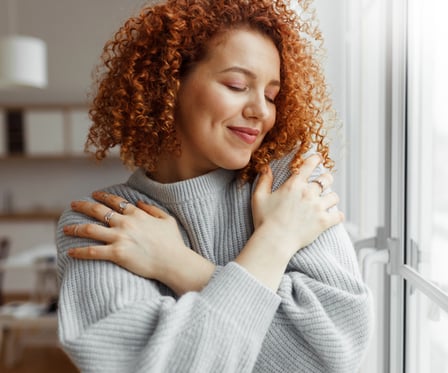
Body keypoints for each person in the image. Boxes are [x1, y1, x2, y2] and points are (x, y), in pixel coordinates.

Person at [56, 0, 373, 372]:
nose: (261, 111)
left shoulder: (291, 188)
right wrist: (276, 241)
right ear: (169, 83)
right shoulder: (105, 223)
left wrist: (180, 265)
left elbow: (330, 359)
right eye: (237, 85)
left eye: (272, 95)